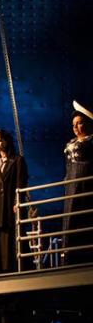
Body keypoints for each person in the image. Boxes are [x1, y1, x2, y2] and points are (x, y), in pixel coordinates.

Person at [0, 130, 28, 273]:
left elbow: (21, 183)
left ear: (6, 141)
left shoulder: (17, 160)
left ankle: (12, 267)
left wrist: (17, 202)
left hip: (10, 205)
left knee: (10, 236)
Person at [62, 101, 93, 264]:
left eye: (79, 123)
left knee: (83, 218)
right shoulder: (71, 143)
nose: (75, 127)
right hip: (71, 185)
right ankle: (69, 256)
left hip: (85, 184)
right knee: (70, 219)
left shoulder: (91, 141)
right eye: (74, 124)